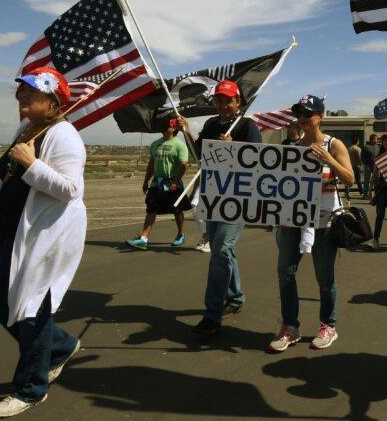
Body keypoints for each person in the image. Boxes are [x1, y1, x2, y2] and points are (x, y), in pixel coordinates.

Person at [0, 67, 86, 417]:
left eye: (29, 92)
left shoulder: (65, 134)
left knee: (32, 309)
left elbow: (70, 189)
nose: (20, 96)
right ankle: (61, 345)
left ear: (52, 100)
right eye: (20, 91)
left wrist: (32, 163)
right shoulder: (26, 129)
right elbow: (10, 180)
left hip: (47, 232)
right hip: (14, 227)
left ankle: (30, 389)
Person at [268, 95, 355, 353]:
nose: (303, 119)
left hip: (324, 220)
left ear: (321, 116)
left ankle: (328, 325)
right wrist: (280, 215)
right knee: (285, 272)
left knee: (324, 277)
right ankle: (290, 327)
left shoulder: (334, 144)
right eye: (300, 115)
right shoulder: (292, 147)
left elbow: (350, 178)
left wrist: (329, 160)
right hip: (293, 219)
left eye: (308, 114)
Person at [177, 79, 262, 337]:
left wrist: (233, 148)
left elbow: (258, 163)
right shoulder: (211, 125)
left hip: (237, 198)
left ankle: (212, 315)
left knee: (221, 251)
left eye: (229, 100)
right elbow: (200, 155)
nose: (224, 105)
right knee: (221, 249)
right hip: (213, 194)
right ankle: (235, 297)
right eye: (219, 100)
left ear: (238, 102)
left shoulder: (248, 126)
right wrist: (187, 131)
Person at [127, 118, 190, 250]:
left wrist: (175, 181)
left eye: (168, 127)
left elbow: (184, 166)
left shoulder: (180, 145)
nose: (165, 129)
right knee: (151, 208)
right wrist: (146, 181)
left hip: (173, 182)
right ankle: (144, 239)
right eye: (163, 127)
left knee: (177, 210)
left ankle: (180, 234)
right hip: (158, 182)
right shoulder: (155, 144)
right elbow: (151, 164)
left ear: (174, 129)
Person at [362, 133, 379, 198]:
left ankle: (376, 194)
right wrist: (366, 163)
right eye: (375, 139)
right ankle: (365, 194)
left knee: (377, 180)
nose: (376, 140)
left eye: (376, 139)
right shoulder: (366, 147)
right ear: (371, 140)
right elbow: (362, 157)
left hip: (376, 166)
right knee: (367, 180)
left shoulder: (378, 147)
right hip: (368, 166)